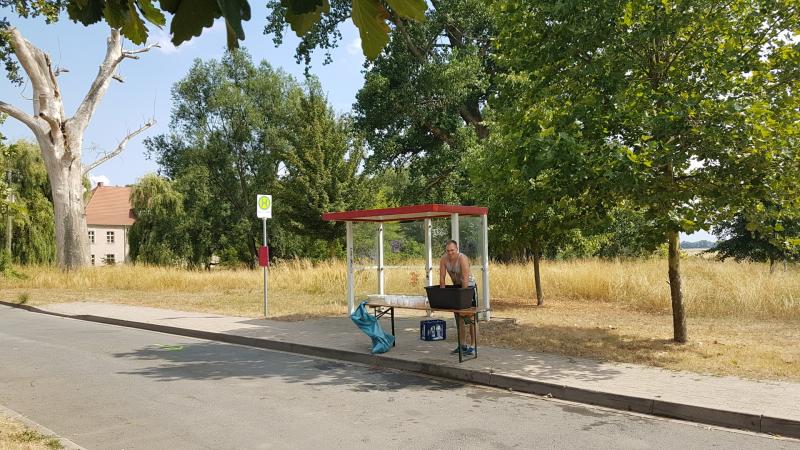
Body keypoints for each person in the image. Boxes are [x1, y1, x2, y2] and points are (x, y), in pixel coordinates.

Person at [439, 240, 476, 355]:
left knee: (470, 318)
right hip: (456, 287)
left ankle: (473, 346)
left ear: (457, 249)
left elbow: (465, 279)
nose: (450, 253)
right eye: (448, 251)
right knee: (458, 317)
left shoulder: (462, 258)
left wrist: (463, 298)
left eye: (452, 250)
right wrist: (442, 295)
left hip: (468, 288)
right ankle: (462, 345)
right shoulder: (444, 259)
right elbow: (442, 277)